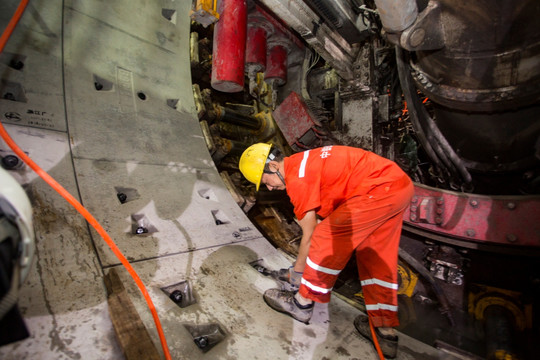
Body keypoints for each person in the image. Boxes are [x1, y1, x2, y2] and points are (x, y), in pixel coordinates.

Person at [239, 143, 414, 359]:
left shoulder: (298, 180)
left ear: (274, 166)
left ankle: (301, 304)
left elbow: (311, 235)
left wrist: (298, 274)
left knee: (325, 236)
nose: (269, 188)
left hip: (377, 190)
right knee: (374, 256)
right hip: (398, 185)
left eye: (266, 182)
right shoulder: (303, 163)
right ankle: (385, 330)